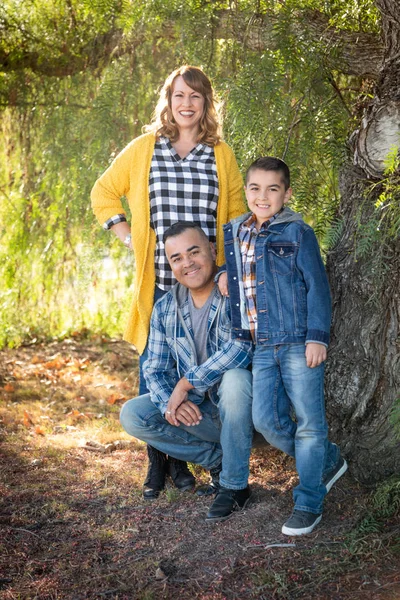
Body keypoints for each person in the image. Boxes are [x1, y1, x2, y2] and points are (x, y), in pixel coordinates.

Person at [91, 65, 246, 499]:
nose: (187, 104)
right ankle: (159, 465)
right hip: (160, 281)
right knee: (153, 372)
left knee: (206, 369)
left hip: (209, 283)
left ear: (206, 104)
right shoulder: (145, 149)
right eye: (179, 95)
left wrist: (230, 270)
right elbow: (103, 191)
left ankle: (195, 458)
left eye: (196, 97)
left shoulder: (221, 154)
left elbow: (235, 218)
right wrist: (126, 236)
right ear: (168, 100)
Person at [220, 156, 348, 535]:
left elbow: (317, 287)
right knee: (268, 421)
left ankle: (309, 502)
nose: (263, 196)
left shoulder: (298, 232)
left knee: (309, 424)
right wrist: (224, 273)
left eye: (273, 189)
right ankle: (328, 459)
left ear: (286, 193)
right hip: (260, 345)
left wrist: (317, 336)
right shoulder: (236, 231)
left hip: (296, 342)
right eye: (256, 188)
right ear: (246, 191)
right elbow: (246, 275)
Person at [120, 222, 254, 521]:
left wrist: (186, 384)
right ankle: (221, 462)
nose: (187, 263)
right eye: (176, 258)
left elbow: (242, 348)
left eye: (194, 252)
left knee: (235, 379)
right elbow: (154, 369)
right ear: (170, 265)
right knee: (133, 414)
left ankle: (235, 486)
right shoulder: (166, 307)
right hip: (201, 415)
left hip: (246, 414)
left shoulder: (233, 290)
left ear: (213, 250)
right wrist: (173, 401)